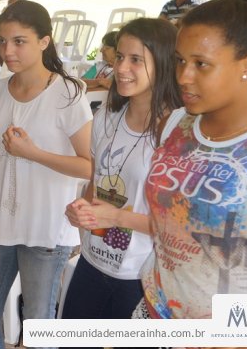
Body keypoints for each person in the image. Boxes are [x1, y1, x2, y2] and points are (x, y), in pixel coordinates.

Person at [0, 0, 93, 349]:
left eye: (19, 41)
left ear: (44, 42)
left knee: (38, 327)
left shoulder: (68, 94)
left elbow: (89, 165)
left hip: (46, 230)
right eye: (4, 41)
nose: (7, 51)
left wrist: (33, 153)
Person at [138, 0, 247, 320]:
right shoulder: (174, 124)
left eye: (201, 64)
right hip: (154, 313)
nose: (183, 76)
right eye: (180, 60)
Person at [62, 18, 182, 330]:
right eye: (119, 57)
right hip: (92, 261)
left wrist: (115, 217)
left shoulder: (175, 134)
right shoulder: (106, 116)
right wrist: (82, 211)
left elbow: (179, 228)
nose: (121, 68)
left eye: (136, 59)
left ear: (163, 63)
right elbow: (96, 182)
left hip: (141, 276)